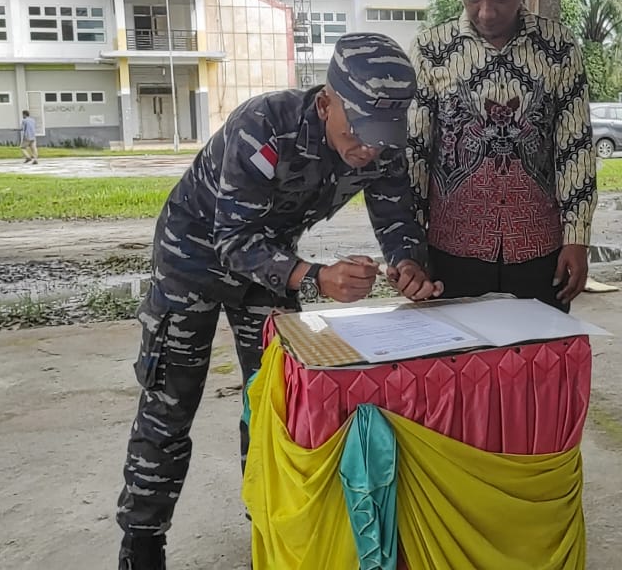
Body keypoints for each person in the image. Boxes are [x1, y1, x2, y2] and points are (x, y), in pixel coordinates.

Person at [115, 33, 442, 570]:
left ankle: (267, 529)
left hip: (271, 267)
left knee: (274, 402)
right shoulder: (265, 126)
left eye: (382, 135)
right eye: (357, 130)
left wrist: (408, 264)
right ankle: (142, 541)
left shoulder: (379, 142)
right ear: (326, 102)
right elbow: (233, 241)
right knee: (171, 402)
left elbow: (395, 215)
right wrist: (316, 277)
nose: (368, 148)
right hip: (192, 259)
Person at [406, 0, 597, 313]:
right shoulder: (431, 51)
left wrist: (577, 236)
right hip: (451, 251)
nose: (487, 12)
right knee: (459, 351)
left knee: (539, 351)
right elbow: (414, 154)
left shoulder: (559, 48)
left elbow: (575, 147)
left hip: (540, 252)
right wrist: (409, 247)